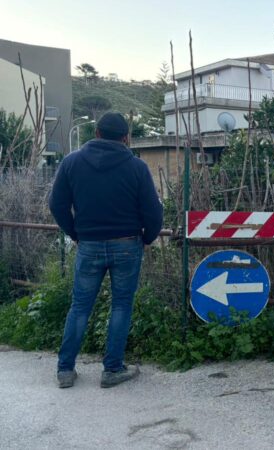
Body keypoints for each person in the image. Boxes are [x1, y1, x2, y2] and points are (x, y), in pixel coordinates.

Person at [49, 112, 163, 388]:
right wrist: (147, 238)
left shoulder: (71, 162)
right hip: (127, 244)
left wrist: (76, 233)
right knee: (121, 305)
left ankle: (65, 370)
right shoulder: (136, 167)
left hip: (89, 245)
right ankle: (112, 370)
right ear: (125, 138)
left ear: (96, 133)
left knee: (79, 306)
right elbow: (153, 209)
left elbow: (57, 205)